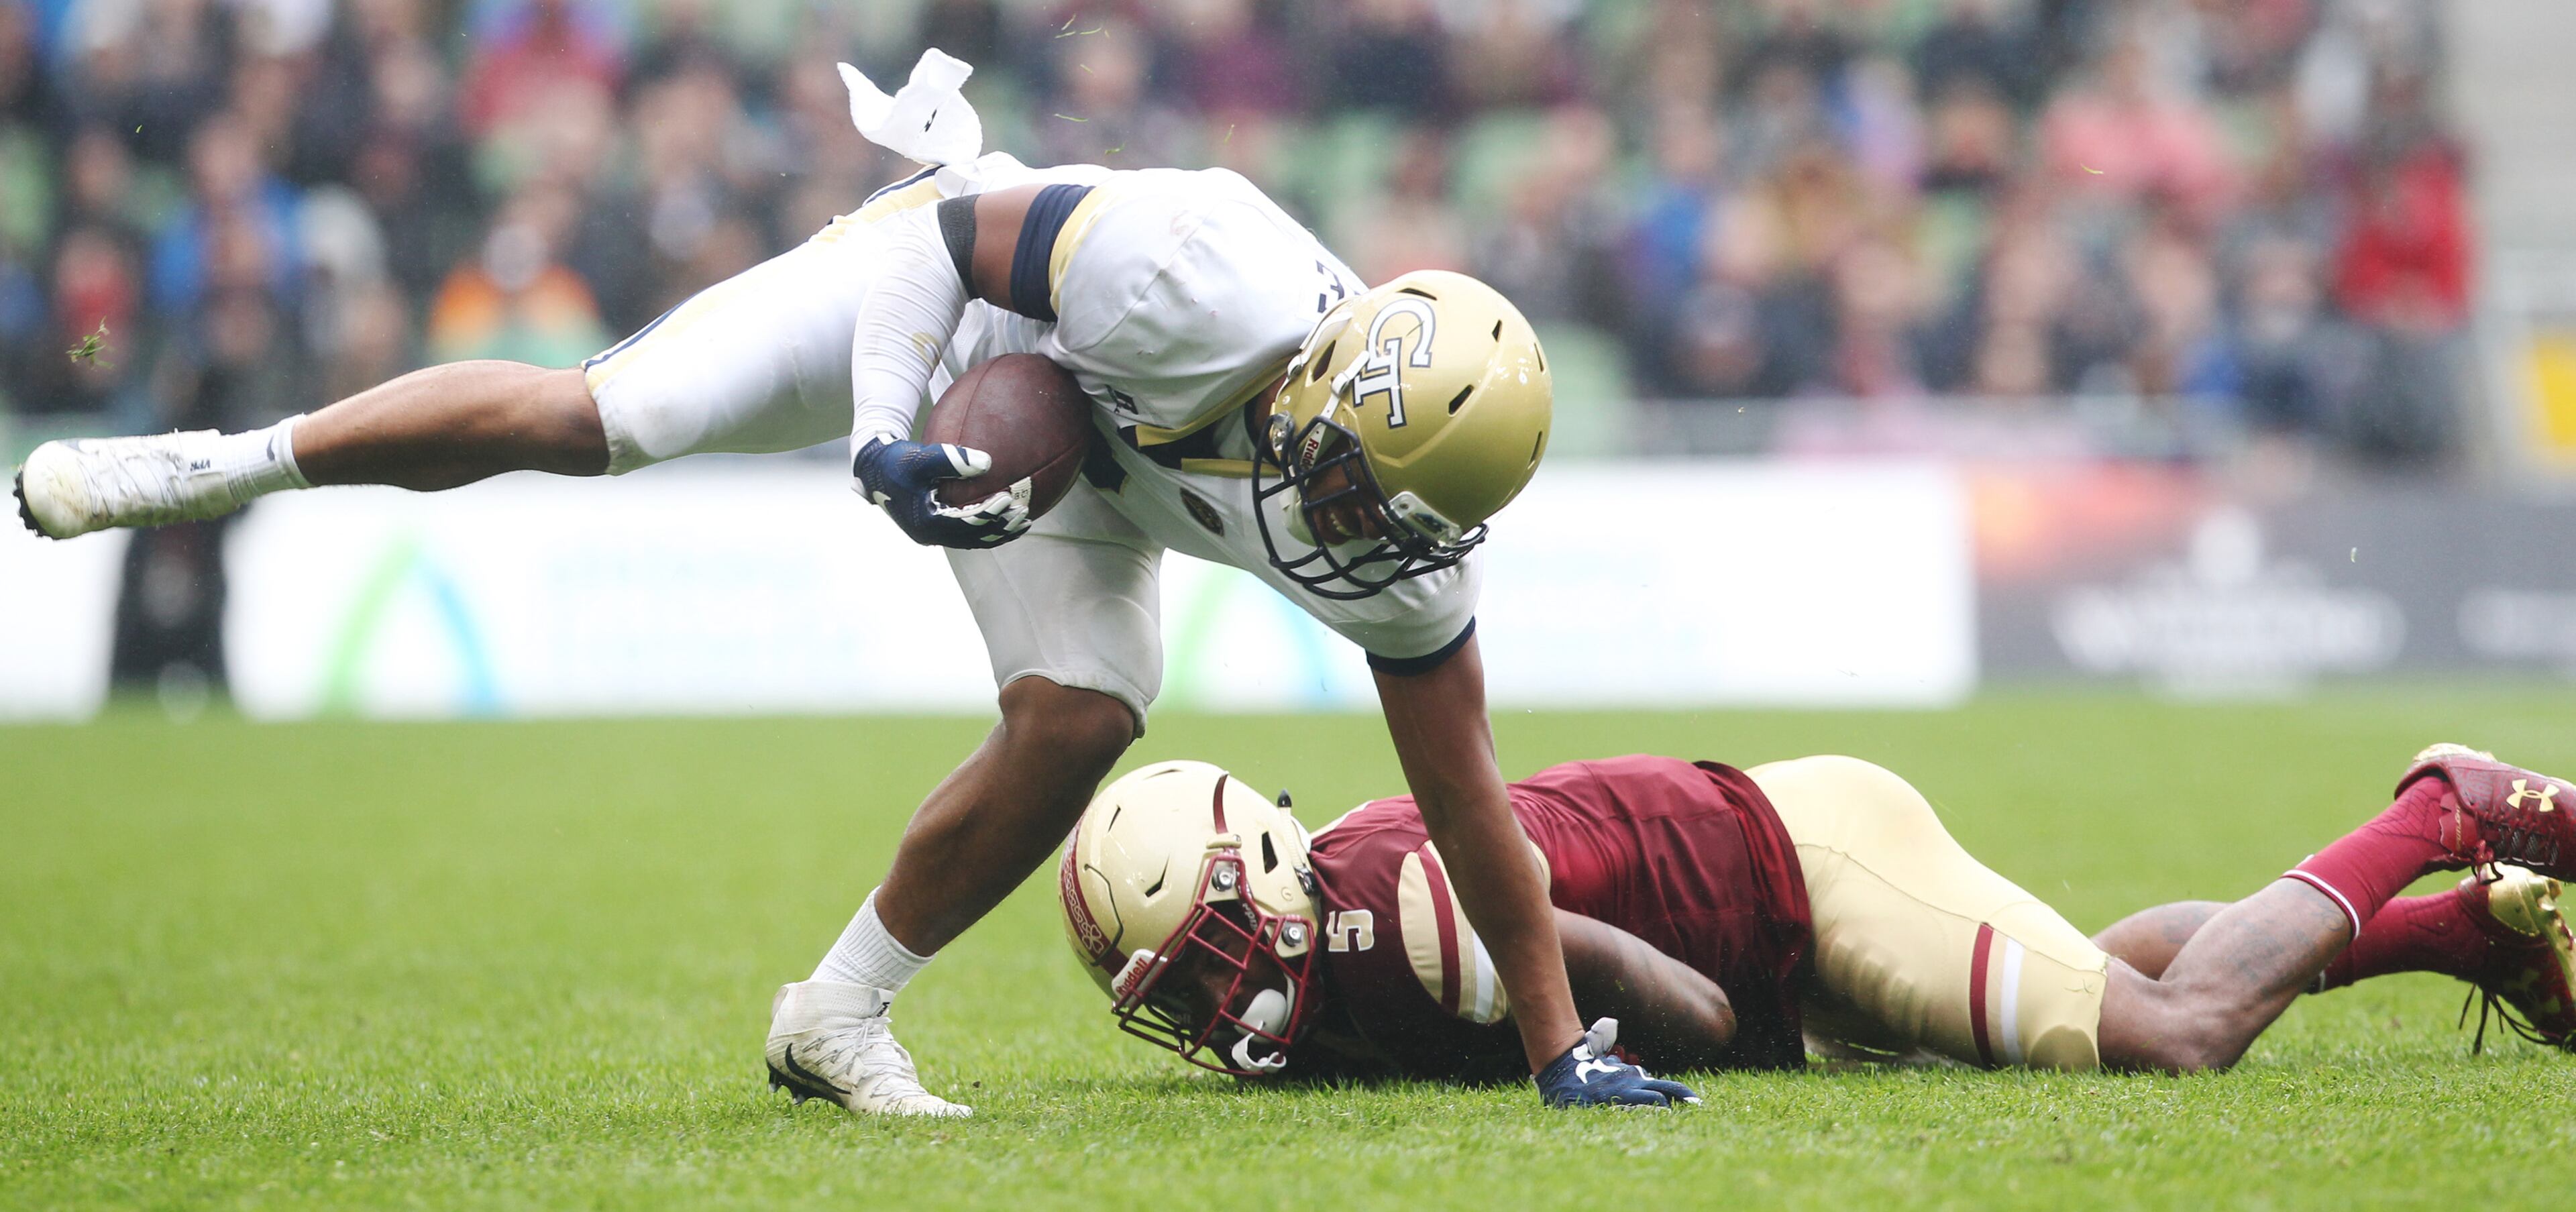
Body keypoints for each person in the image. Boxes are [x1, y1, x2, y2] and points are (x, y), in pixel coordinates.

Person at [11, 51, 1640, 1115]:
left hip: (1106, 451)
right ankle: (224, 459)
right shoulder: (1192, 261)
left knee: (1084, 716)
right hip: (970, 299)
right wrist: (883, 435)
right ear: (1329, 380)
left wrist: (1562, 1050)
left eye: (1401, 514)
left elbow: (1468, 796)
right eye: (1357, 478)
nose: (1363, 528)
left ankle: (834, 1016)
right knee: (616, 413)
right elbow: (942, 253)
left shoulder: (1412, 551)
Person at [1058, 744, 2576, 1091]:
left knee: (2172, 1037)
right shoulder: (1341, 920)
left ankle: (2443, 805)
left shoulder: (1405, 912)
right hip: (1763, 877)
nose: (1210, 1001)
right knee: (2085, 974)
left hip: (1814, 877)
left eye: (1209, 955)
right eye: (1179, 987)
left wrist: (1556, 1038)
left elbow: (1701, 1020)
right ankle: (2468, 933)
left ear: (1266, 878)